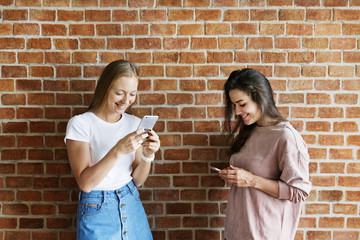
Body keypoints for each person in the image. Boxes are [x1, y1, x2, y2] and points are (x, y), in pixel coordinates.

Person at [65, 60, 160, 240]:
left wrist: (148, 155)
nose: (126, 101)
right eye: (119, 93)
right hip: (97, 207)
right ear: (105, 88)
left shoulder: (134, 123)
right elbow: (85, 183)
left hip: (131, 200)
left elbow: (138, 180)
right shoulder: (81, 124)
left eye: (132, 94)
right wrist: (118, 150)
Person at [218, 68, 311, 240]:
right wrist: (234, 176)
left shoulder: (286, 137)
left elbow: (299, 191)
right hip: (235, 232)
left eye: (242, 104)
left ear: (259, 97)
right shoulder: (251, 129)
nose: (237, 112)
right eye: (234, 105)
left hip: (264, 234)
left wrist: (251, 180)